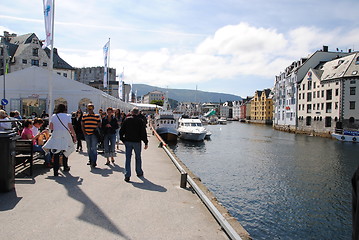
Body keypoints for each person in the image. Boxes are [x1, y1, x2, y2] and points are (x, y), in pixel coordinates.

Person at [43, 104, 76, 176]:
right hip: (65, 134)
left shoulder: (54, 116)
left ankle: (55, 170)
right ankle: (65, 166)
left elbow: (51, 127)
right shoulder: (68, 116)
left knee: (56, 153)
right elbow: (70, 127)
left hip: (56, 134)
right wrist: (74, 136)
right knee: (65, 150)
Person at [120, 107, 148, 182]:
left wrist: (123, 140)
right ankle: (139, 172)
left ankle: (127, 175)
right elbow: (143, 133)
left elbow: (121, 131)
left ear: (132, 112)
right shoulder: (140, 121)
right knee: (138, 157)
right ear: (138, 113)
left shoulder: (127, 120)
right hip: (137, 142)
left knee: (128, 158)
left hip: (128, 141)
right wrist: (146, 142)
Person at [81, 103, 101, 168]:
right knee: (89, 148)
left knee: (94, 148)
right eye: (89, 108)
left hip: (94, 134)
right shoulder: (84, 116)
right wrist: (84, 132)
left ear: (93, 108)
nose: (90, 109)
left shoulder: (96, 116)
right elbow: (82, 124)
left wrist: (95, 129)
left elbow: (99, 124)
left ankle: (94, 161)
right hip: (87, 134)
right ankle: (90, 160)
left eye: (91, 108)